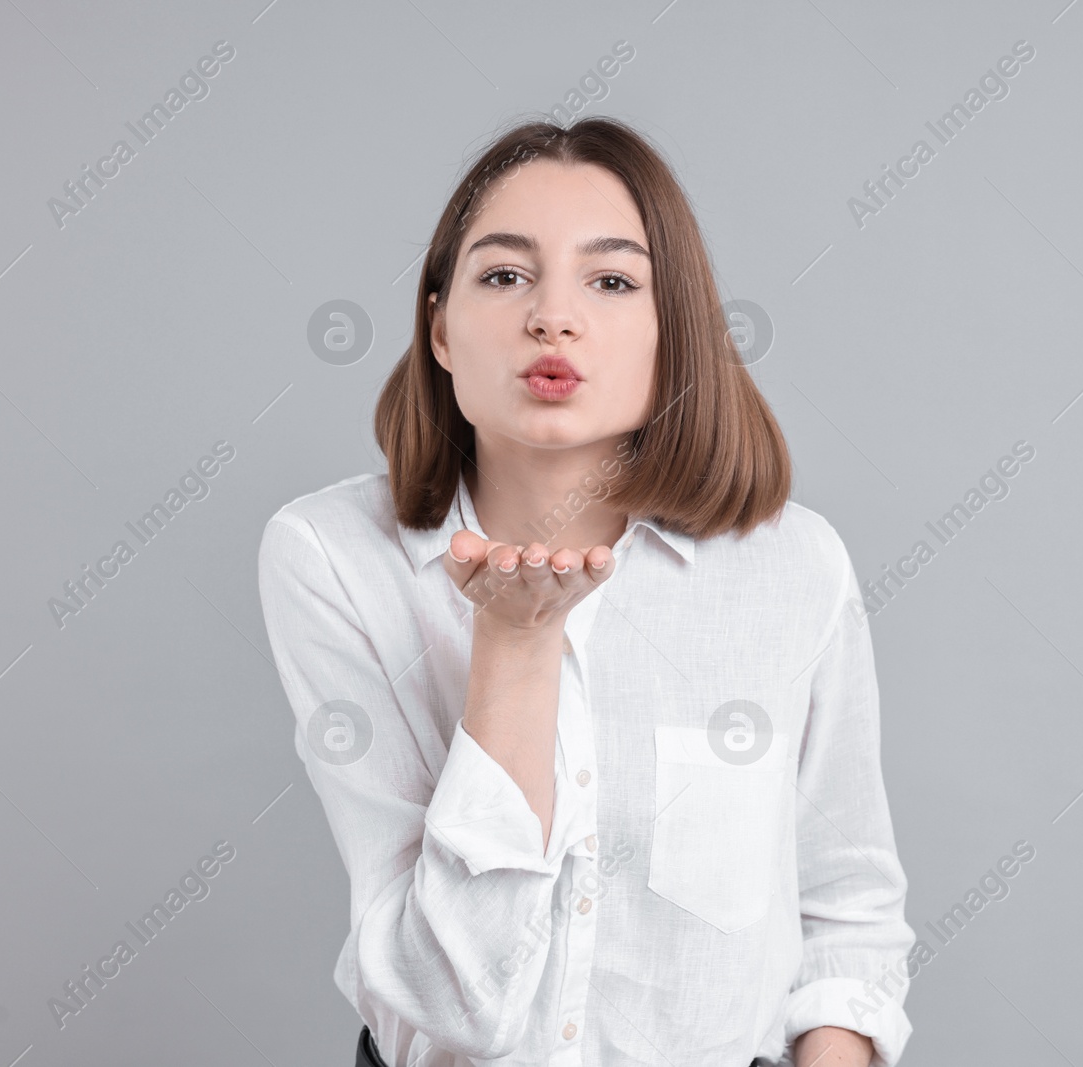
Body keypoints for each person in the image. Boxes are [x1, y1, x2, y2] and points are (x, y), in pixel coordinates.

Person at [258, 115, 915, 1067]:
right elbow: (450, 998)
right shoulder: (330, 556)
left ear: (671, 333)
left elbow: (846, 909)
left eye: (611, 281)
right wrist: (515, 646)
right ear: (439, 328)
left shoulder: (793, 566)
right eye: (504, 275)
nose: (551, 318)